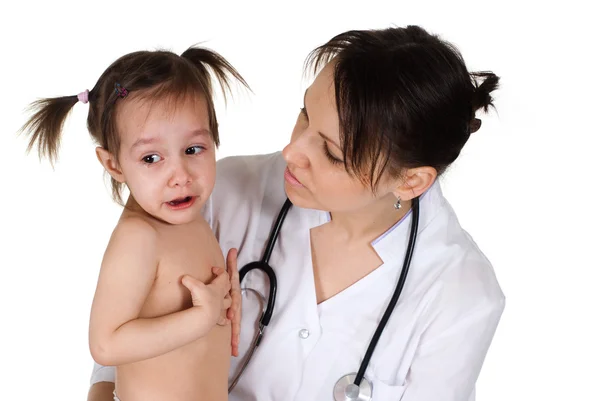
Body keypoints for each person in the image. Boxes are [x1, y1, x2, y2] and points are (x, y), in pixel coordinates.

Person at [89, 24, 505, 401]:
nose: (292, 152)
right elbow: (125, 328)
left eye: (332, 152)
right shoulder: (214, 191)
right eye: (305, 114)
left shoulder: (461, 295)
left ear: (411, 182)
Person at [20, 45, 248, 401]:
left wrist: (222, 299)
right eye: (152, 157)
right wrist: (199, 319)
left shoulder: (187, 216)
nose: (180, 175)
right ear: (114, 166)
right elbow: (106, 343)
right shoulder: (138, 237)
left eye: (193, 149)